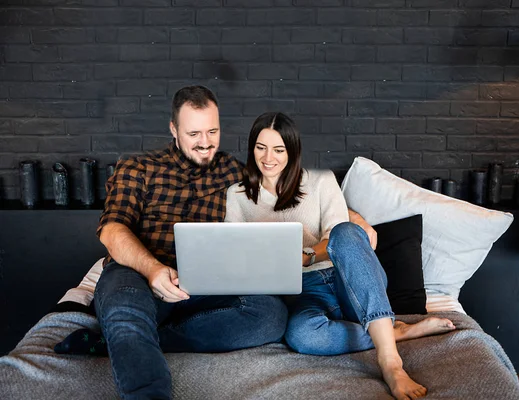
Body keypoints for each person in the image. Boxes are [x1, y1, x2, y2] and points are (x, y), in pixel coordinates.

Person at [56, 86, 290, 400]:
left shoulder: (235, 172)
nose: (205, 143)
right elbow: (112, 230)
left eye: (212, 131)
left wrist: (347, 216)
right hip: (137, 274)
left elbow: (292, 196)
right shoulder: (137, 168)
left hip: (204, 280)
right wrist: (153, 269)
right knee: (124, 306)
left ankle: (118, 341)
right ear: (173, 130)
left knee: (271, 315)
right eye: (194, 133)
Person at [225, 112, 457, 400]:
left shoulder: (320, 180)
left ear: (293, 151)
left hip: (346, 276)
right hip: (300, 291)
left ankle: (391, 363)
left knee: (347, 231)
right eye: (261, 148)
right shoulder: (237, 195)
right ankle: (395, 331)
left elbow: (337, 238)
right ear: (251, 148)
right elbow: (233, 249)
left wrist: (306, 256)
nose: (268, 157)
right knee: (301, 336)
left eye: (278, 149)